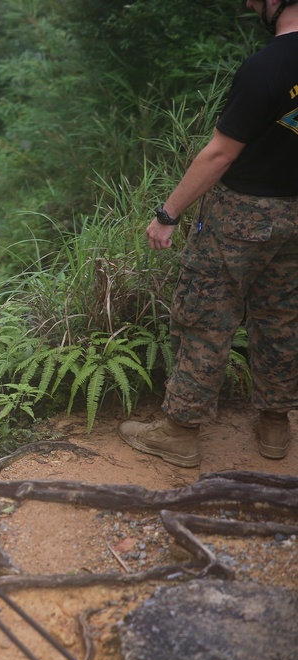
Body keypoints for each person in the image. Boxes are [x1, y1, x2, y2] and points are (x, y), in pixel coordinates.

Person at [119, 0, 298, 467]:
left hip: (240, 217)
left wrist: (168, 213)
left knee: (206, 315)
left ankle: (180, 431)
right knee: (282, 318)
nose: (248, 3)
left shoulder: (264, 67)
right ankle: (275, 426)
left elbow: (219, 155)